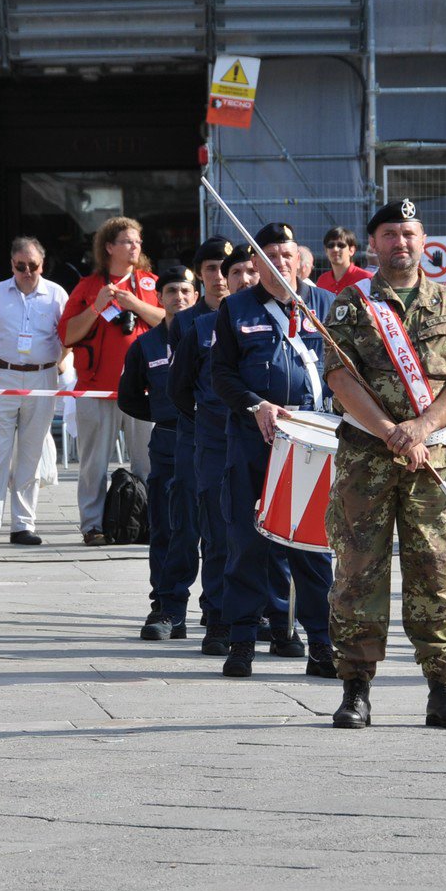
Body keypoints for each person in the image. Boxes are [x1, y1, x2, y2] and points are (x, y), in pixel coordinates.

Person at [324, 200, 446, 729]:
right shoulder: (351, 305)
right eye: (390, 234)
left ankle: (443, 689)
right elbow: (340, 379)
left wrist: (420, 427)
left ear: (425, 240)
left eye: (410, 233)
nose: (401, 243)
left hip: (432, 461)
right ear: (373, 244)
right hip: (365, 462)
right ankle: (355, 690)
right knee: (357, 573)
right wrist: (388, 430)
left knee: (435, 573)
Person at [212, 222, 336, 679]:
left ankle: (321, 644)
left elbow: (346, 370)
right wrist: (255, 405)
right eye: (272, 257)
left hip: (311, 442)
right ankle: (241, 640)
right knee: (247, 543)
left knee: (312, 545)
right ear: (258, 265)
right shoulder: (236, 308)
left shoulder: (323, 305)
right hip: (254, 439)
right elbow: (221, 375)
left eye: (289, 255)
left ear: (301, 262)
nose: (282, 263)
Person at [59, 216, 163, 544]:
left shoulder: (150, 283)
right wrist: (96, 307)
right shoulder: (89, 286)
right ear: (109, 247)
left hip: (143, 390)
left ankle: (148, 522)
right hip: (96, 389)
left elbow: (170, 321)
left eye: (138, 242)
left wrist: (133, 304)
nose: (135, 247)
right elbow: (67, 334)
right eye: (127, 242)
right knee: (93, 464)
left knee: (147, 462)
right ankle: (93, 526)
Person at [119, 265, 197, 641]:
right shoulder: (146, 345)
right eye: (171, 291)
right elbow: (129, 397)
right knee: (166, 526)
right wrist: (167, 416)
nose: (178, 297)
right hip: (167, 441)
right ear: (159, 298)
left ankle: (225, 610)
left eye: (185, 290)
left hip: (210, 441)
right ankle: (165, 606)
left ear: (195, 296)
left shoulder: (213, 335)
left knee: (218, 528)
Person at [168, 238, 236, 654]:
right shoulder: (189, 322)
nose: (219, 276)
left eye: (225, 268)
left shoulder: (251, 313)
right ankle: (182, 607)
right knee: (196, 521)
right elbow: (181, 387)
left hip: (247, 435)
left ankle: (252, 612)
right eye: (211, 268)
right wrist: (203, 421)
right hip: (202, 435)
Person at [0, 237, 67, 546]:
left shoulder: (56, 294)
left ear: (43, 265)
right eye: (20, 266)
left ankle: (22, 524)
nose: (27, 272)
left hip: (42, 377)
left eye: (33, 266)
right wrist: (3, 362)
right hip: (2, 375)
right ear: (11, 264)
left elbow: (68, 337)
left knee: (31, 453)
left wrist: (56, 364)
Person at [315, 227, 373, 296]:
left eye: (341, 245)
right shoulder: (322, 281)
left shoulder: (366, 279)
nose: (335, 249)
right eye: (331, 245)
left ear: (351, 250)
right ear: (326, 251)